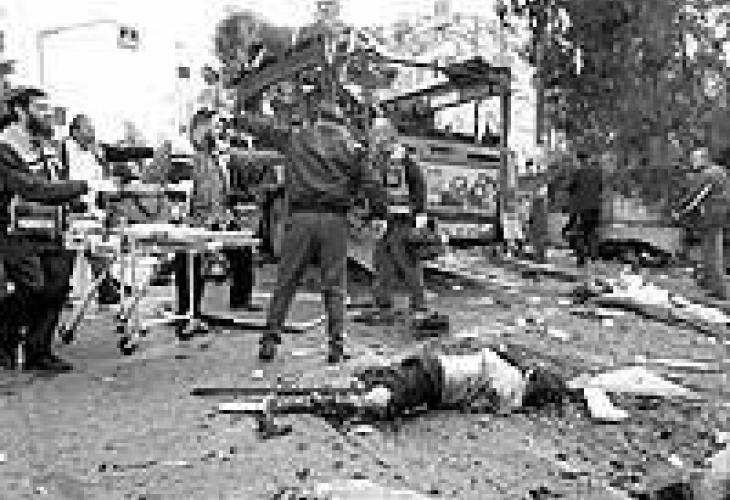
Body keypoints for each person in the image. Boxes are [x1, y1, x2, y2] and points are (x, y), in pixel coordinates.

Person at [238, 90, 388, 363]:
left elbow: (265, 129)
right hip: (334, 222)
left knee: (286, 281)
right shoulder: (353, 147)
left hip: (301, 219)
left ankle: (269, 342)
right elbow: (372, 181)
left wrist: (240, 117)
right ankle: (336, 347)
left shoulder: (296, 137)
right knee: (335, 285)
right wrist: (379, 214)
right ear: (342, 121)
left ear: (317, 117)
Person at [0, 87, 88, 371]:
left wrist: (77, 202)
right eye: (40, 108)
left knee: (57, 288)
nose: (48, 114)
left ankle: (38, 352)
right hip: (15, 232)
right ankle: (5, 333)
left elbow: (55, 181)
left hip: (52, 229)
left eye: (48, 108)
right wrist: (81, 187)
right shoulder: (5, 146)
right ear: (20, 111)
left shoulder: (48, 145)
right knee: (34, 287)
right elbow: (30, 187)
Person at [172, 109, 257, 340]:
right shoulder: (186, 153)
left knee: (243, 250)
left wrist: (227, 213)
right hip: (196, 220)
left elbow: (220, 187)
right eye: (215, 125)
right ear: (200, 127)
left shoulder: (215, 155)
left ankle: (239, 300)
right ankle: (187, 317)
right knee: (190, 266)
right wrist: (186, 220)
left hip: (219, 217)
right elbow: (180, 192)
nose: (219, 130)